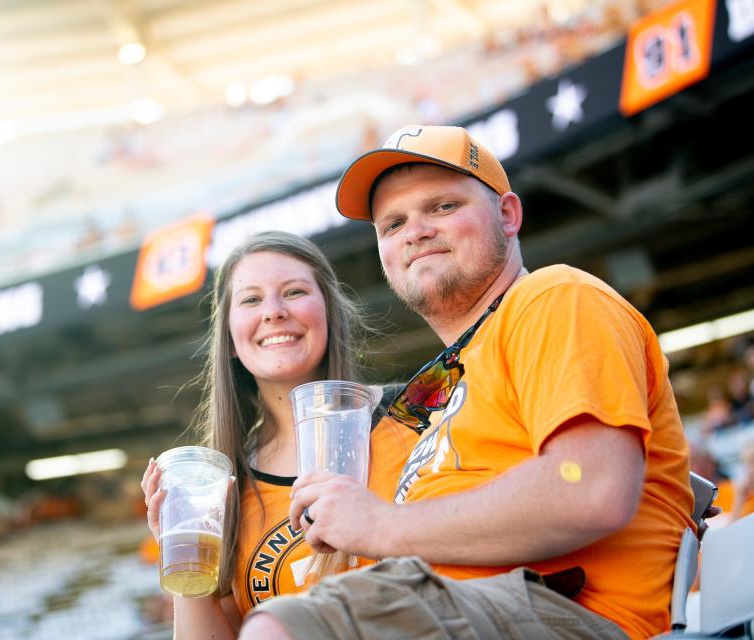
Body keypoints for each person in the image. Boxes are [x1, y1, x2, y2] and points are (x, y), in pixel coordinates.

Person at [241, 125, 696, 640]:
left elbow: (592, 487)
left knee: (283, 630)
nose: (415, 232)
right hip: (474, 606)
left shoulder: (553, 297)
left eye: (442, 207)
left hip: (569, 613)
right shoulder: (447, 384)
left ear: (508, 215)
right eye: (393, 224)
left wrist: (382, 525)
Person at [140, 231, 417, 638]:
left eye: (294, 291)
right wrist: (182, 555)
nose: (273, 312)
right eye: (251, 299)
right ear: (231, 340)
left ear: (328, 313)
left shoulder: (415, 414)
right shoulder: (222, 488)